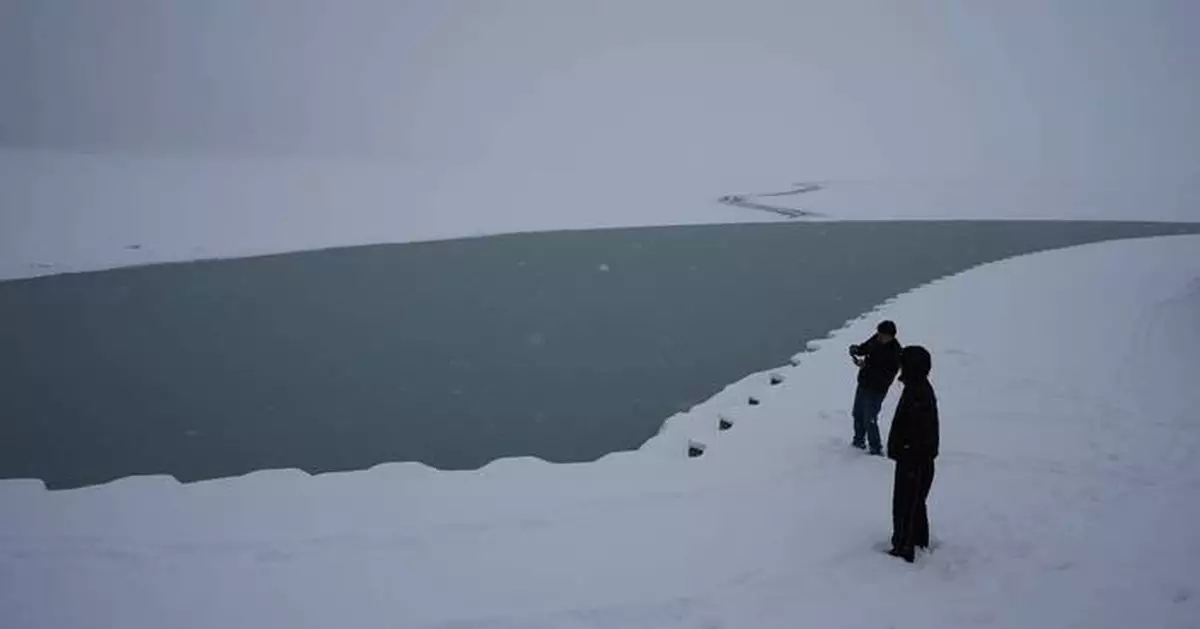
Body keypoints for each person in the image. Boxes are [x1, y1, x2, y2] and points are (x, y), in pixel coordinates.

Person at [886, 345, 939, 563]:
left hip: (913, 460)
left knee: (905, 504)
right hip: (916, 458)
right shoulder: (918, 388)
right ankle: (918, 540)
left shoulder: (918, 393)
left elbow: (917, 431)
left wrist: (905, 451)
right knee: (915, 503)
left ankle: (903, 548)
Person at [847, 320, 902, 455]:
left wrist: (866, 366)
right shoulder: (876, 339)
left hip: (877, 390)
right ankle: (858, 441)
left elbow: (886, 378)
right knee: (857, 414)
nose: (879, 337)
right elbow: (866, 347)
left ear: (891, 336)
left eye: (882, 335)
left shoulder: (896, 353)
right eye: (878, 334)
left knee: (870, 418)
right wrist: (857, 350)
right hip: (864, 383)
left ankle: (875, 449)